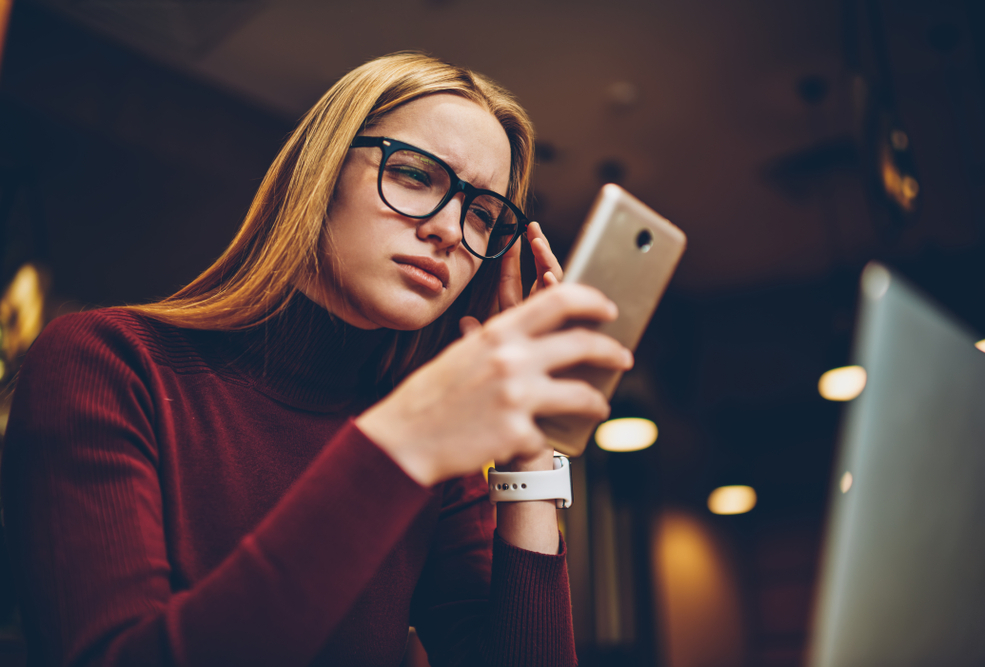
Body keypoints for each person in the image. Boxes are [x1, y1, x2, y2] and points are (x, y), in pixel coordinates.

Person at [1, 52, 633, 666]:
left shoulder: (439, 457)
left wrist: (529, 450)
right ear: (321, 173)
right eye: (415, 176)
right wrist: (406, 438)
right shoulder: (107, 363)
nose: (448, 229)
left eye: (482, 214)